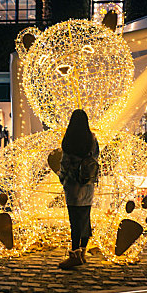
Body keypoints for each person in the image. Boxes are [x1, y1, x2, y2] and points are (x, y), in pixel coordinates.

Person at [58, 109, 99, 269]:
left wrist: (63, 179)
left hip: (73, 186)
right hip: (88, 184)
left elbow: (64, 163)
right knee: (85, 219)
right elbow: (95, 158)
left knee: (74, 221)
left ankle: (74, 255)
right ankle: (82, 252)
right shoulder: (92, 139)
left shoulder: (68, 140)